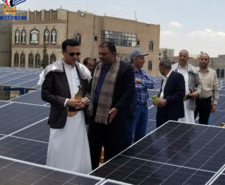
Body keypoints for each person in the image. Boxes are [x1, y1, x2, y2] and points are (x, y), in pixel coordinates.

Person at [39, 39, 92, 174]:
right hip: (61, 119)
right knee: (60, 151)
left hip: (79, 119)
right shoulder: (53, 70)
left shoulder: (83, 70)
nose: (75, 57)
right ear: (62, 52)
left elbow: (89, 91)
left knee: (78, 151)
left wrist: (86, 99)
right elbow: (45, 94)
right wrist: (66, 101)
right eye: (71, 54)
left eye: (77, 54)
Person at [87, 41, 135, 170]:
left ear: (113, 54)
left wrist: (118, 107)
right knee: (92, 151)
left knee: (111, 154)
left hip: (114, 119)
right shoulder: (97, 66)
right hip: (95, 117)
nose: (101, 56)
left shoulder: (125, 69)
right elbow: (90, 87)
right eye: (99, 54)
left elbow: (130, 91)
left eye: (104, 54)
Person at [126, 48, 154, 144]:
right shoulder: (129, 71)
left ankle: (137, 155)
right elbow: (133, 87)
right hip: (134, 107)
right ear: (134, 59)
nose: (144, 61)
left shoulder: (143, 72)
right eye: (141, 58)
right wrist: (142, 84)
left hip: (144, 107)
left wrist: (140, 81)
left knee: (141, 135)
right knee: (130, 134)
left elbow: (152, 84)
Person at [172, 50, 201, 124]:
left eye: (184, 56)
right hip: (174, 102)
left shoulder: (193, 71)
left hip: (188, 102)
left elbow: (199, 84)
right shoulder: (172, 69)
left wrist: (197, 92)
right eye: (181, 56)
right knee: (174, 125)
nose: (182, 58)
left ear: (188, 58)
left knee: (188, 125)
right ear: (178, 57)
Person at [156, 58, 185, 127]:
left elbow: (180, 94)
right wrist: (157, 98)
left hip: (171, 113)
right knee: (159, 134)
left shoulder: (178, 76)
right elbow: (162, 92)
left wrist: (166, 100)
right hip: (161, 112)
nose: (159, 69)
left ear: (163, 67)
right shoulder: (164, 79)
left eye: (159, 67)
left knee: (170, 135)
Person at [195, 53, 219, 124]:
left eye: (205, 59)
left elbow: (216, 89)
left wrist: (214, 104)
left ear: (208, 61)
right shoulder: (194, 71)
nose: (203, 61)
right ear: (199, 60)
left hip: (206, 102)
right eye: (202, 59)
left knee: (203, 123)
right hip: (194, 101)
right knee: (190, 122)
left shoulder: (213, 73)